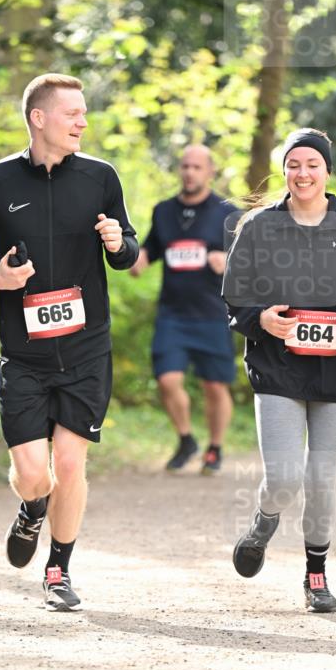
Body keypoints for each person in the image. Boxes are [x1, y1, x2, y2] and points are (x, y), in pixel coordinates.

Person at [0, 73, 138, 612]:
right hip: (25, 353)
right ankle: (32, 510)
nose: (83, 121)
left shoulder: (101, 177)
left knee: (71, 462)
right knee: (34, 473)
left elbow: (127, 250)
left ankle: (58, 568)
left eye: (84, 112)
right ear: (39, 118)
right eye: (72, 113)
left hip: (86, 347)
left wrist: (118, 242)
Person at [223, 127, 336, 612]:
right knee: (285, 477)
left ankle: (316, 574)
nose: (302, 173)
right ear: (283, 170)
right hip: (278, 367)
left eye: (312, 164)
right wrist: (259, 318)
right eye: (293, 164)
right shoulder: (261, 227)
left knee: (322, 477)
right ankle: (265, 522)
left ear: (328, 171)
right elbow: (235, 297)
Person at [130, 144, 238, 473]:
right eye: (185, 166)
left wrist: (228, 261)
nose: (190, 172)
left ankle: (215, 448)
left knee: (214, 386)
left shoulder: (226, 212)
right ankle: (186, 438)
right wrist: (134, 258)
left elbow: (252, 265)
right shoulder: (163, 210)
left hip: (212, 314)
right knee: (167, 380)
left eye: (197, 167)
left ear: (210, 172)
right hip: (172, 316)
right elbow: (151, 247)